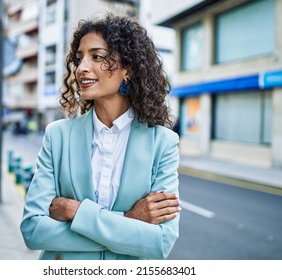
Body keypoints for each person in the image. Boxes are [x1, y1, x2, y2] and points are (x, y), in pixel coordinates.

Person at [20, 13, 181, 260]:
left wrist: (77, 212)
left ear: (127, 68)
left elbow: (160, 241)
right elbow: (34, 231)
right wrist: (129, 220)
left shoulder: (163, 143)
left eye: (97, 56)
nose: (82, 68)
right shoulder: (58, 135)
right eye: (79, 58)